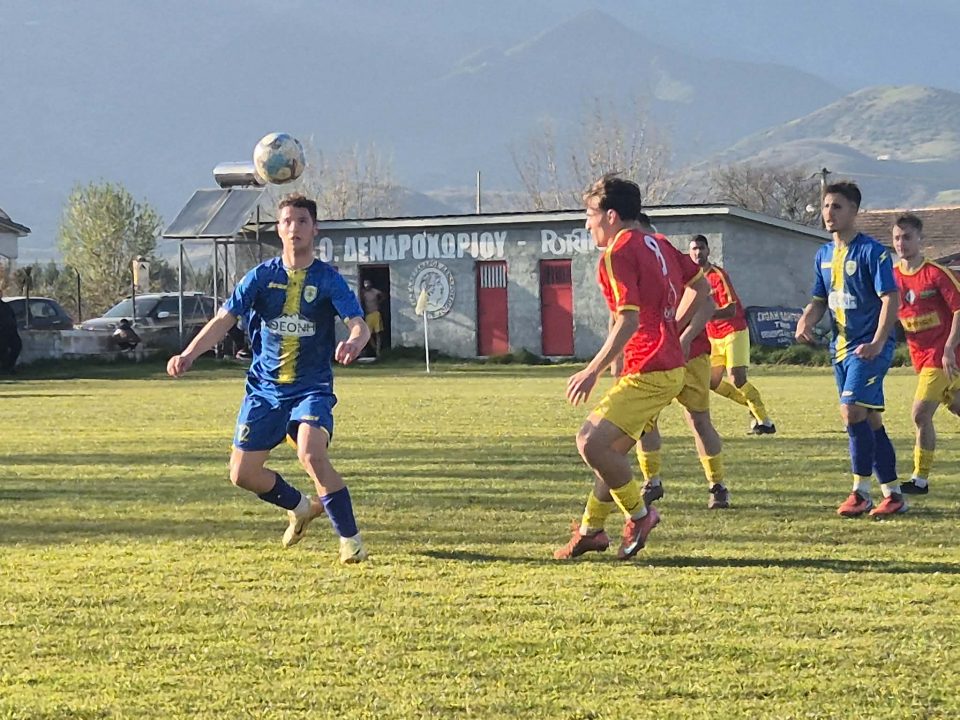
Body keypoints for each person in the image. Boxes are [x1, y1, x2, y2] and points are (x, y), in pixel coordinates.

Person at [167, 194, 372, 563]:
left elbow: (358, 324)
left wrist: (355, 341)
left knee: (311, 453)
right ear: (279, 229)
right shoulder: (261, 277)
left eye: (302, 221)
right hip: (264, 391)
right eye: (288, 221)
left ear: (315, 228)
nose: (295, 228)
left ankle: (350, 540)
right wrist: (189, 353)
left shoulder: (328, 280)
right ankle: (300, 507)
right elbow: (223, 320)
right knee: (242, 474)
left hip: (311, 388)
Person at [554, 176, 708, 561]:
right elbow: (701, 288)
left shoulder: (617, 253)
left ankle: (640, 515)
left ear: (610, 215)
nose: (586, 223)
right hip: (666, 366)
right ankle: (591, 530)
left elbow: (627, 320)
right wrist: (672, 328)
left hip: (650, 367)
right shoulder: (659, 243)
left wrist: (592, 370)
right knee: (609, 454)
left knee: (589, 442)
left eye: (589, 214)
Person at [796, 181, 903, 517]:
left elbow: (891, 299)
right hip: (840, 348)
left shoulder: (873, 252)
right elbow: (819, 300)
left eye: (837, 206)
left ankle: (860, 493)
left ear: (854, 211)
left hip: (869, 348)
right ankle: (893, 494)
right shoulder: (823, 255)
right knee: (869, 419)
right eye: (826, 206)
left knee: (851, 410)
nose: (829, 213)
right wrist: (806, 321)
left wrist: (878, 342)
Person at [629, 218, 730, 510]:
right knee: (645, 419)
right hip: (654, 355)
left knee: (698, 419)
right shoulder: (629, 258)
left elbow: (707, 301)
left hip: (690, 355)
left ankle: (717, 485)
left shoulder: (666, 252)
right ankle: (652, 481)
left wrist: (683, 338)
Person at [891, 212, 960, 495]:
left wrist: (949, 347)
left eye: (907, 237)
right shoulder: (892, 277)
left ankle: (920, 480)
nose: (901, 243)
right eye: (897, 238)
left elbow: (959, 310)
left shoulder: (935, 273)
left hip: (943, 357)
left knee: (920, 414)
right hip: (921, 358)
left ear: (920, 239)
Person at [689, 234, 776, 435]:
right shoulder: (691, 280)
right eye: (694, 249)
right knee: (712, 382)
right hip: (713, 336)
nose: (698, 252)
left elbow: (731, 309)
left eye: (701, 248)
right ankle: (751, 406)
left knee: (737, 378)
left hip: (733, 331)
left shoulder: (717, 275)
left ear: (708, 251)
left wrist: (705, 314)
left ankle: (765, 422)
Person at [360, 279, 385, 358]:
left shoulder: (375, 291)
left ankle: (378, 351)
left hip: (375, 313)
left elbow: (383, 295)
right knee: (368, 334)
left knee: (378, 332)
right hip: (368, 314)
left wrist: (379, 302)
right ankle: (374, 348)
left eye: (368, 285)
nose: (367, 287)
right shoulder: (363, 293)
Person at [0, 297, 21, 374]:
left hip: (11, 331)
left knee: (17, 346)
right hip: (2, 332)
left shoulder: (5, 306)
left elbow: (12, 316)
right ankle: (6, 368)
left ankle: (9, 366)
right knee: (2, 350)